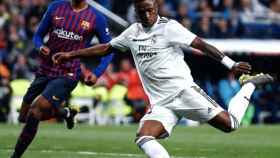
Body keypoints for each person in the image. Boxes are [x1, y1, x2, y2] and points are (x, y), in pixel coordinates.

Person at [53, 0, 274, 157]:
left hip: (184, 93)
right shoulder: (132, 32)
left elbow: (201, 45)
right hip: (160, 102)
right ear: (136, 12)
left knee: (231, 125)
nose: (147, 15)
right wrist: (72, 54)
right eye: (142, 12)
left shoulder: (169, 28)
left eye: (149, 10)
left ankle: (249, 85)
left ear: (156, 7)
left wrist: (231, 64)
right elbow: (106, 48)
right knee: (143, 138)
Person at [11, 0, 114, 157]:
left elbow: (109, 49)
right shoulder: (56, 6)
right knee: (23, 117)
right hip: (45, 69)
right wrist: (40, 47)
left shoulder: (96, 18)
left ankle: (15, 156)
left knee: (36, 110)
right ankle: (65, 113)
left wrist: (97, 72)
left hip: (69, 72)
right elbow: (38, 35)